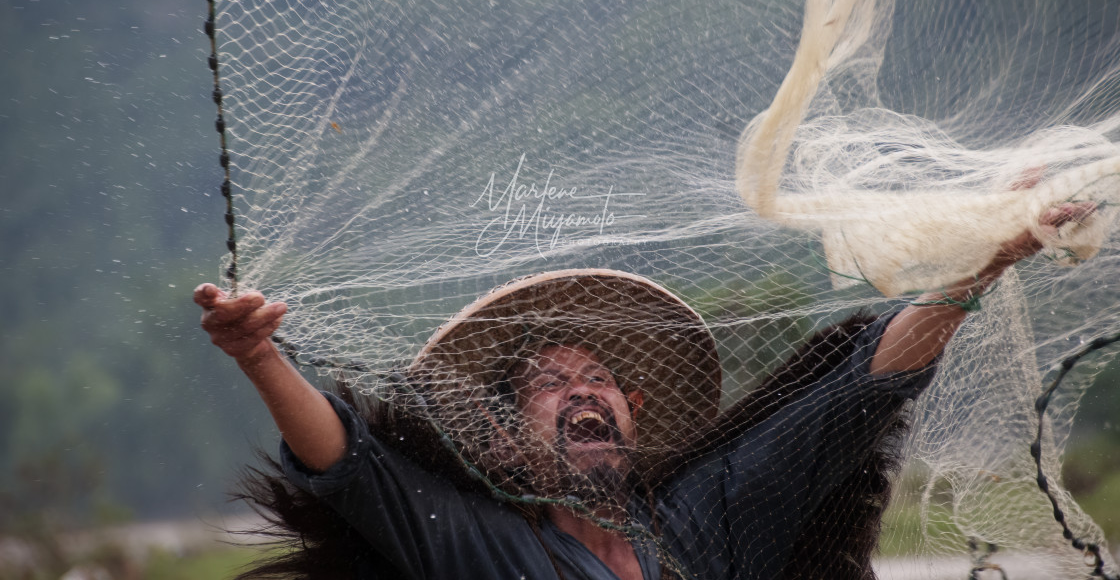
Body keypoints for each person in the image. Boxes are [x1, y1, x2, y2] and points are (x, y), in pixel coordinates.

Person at [196, 202, 1093, 580]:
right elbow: (350, 467)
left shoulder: (705, 523)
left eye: (601, 381)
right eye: (550, 384)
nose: (585, 391)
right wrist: (259, 358)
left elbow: (861, 387)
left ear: (632, 419)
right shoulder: (480, 548)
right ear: (504, 442)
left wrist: (997, 255)